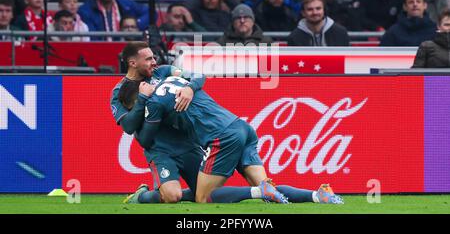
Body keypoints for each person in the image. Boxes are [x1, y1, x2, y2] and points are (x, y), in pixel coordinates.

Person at [120, 74, 344, 205]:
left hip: (222, 137)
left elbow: (144, 138)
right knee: (267, 187)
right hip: (243, 127)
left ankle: (259, 192)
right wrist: (190, 87)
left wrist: (141, 102)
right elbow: (200, 76)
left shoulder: (152, 103)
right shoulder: (176, 78)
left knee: (203, 197)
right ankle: (318, 195)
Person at [110, 42, 206, 203]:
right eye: (148, 59)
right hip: (159, 150)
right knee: (172, 196)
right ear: (133, 63)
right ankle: (141, 196)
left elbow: (199, 76)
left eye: (153, 57)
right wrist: (142, 98)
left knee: (206, 195)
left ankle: (185, 192)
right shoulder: (119, 91)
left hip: (188, 144)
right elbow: (128, 126)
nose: (154, 62)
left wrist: (190, 88)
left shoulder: (164, 71)